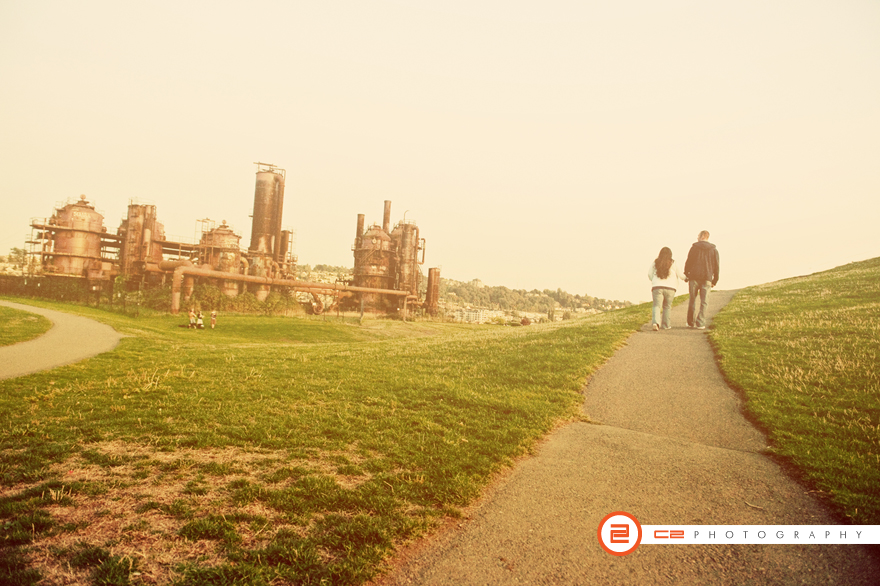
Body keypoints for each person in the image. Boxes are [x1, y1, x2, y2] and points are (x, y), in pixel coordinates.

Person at [684, 230, 720, 329]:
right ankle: (700, 323)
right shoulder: (714, 250)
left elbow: (689, 261)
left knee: (692, 299)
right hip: (707, 278)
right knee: (704, 302)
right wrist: (715, 280)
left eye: (698, 236)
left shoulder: (694, 248)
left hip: (694, 277)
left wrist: (686, 274)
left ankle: (690, 322)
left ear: (702, 236)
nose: (697, 238)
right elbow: (716, 266)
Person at [648, 247, 686, 331]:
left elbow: (649, 274)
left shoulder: (655, 262)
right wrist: (686, 278)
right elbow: (680, 275)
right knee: (667, 306)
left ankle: (655, 323)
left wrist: (654, 280)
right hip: (670, 288)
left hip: (657, 287)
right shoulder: (673, 263)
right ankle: (666, 325)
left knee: (657, 306)